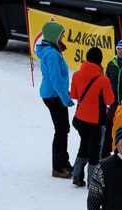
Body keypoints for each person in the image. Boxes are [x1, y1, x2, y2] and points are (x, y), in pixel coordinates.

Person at [70, 47, 115, 187]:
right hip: (97, 121)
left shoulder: (77, 75)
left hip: (81, 118)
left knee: (84, 145)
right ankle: (93, 181)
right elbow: (109, 101)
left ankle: (76, 175)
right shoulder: (103, 80)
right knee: (95, 150)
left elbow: (74, 95)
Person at [35, 21, 74, 179]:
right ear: (53, 36)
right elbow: (56, 79)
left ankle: (64, 162)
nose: (63, 36)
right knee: (61, 130)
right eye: (61, 34)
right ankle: (58, 167)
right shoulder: (52, 54)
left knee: (63, 129)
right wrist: (66, 99)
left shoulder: (53, 50)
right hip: (53, 96)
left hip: (55, 95)